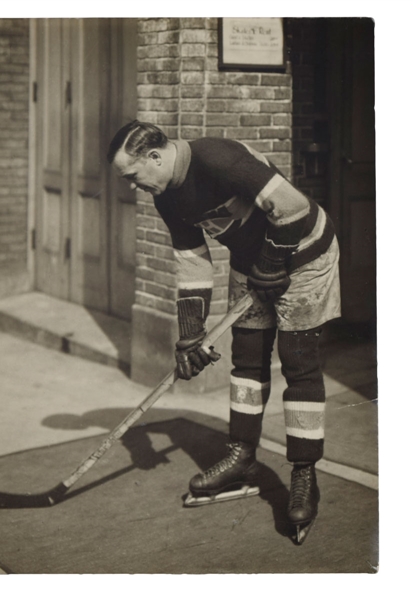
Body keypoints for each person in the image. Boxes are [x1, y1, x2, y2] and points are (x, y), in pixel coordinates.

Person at [107, 120, 341, 543]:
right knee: (247, 360)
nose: (132, 186)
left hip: (305, 255)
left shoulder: (217, 158)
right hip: (255, 263)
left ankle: (305, 474)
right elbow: (194, 262)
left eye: (133, 175)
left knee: (297, 362)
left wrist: (271, 266)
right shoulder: (165, 197)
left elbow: (293, 208)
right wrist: (190, 333)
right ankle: (242, 457)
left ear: (155, 157)